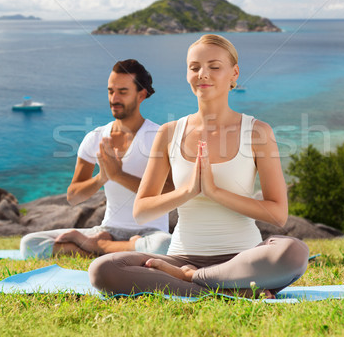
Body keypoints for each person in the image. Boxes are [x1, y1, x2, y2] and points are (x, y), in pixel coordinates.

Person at [88, 35, 309, 298]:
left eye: (214, 66)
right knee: (103, 269)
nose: (203, 74)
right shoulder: (170, 133)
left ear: (234, 74)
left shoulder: (257, 132)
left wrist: (215, 192)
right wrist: (189, 191)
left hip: (243, 259)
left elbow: (278, 214)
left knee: (294, 252)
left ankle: (193, 281)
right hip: (181, 257)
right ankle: (232, 291)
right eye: (194, 67)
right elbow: (142, 211)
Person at [20, 59, 172, 259]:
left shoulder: (159, 136)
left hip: (150, 234)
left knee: (164, 246)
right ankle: (110, 247)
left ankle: (97, 248)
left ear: (141, 95)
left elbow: (170, 192)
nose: (114, 98)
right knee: (30, 244)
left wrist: (119, 175)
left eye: (123, 92)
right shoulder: (95, 137)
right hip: (107, 229)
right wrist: (102, 178)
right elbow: (74, 196)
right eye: (111, 91)